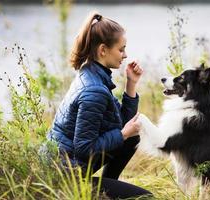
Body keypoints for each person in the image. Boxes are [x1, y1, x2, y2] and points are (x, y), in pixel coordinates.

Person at [46, 12, 152, 199]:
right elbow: (84, 148)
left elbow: (121, 122)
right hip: (65, 178)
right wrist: (123, 133)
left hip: (70, 166)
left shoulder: (91, 74)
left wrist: (131, 84)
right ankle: (99, 193)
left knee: (131, 137)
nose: (125, 55)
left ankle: (107, 190)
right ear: (103, 50)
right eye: (121, 49)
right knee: (146, 197)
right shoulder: (95, 90)